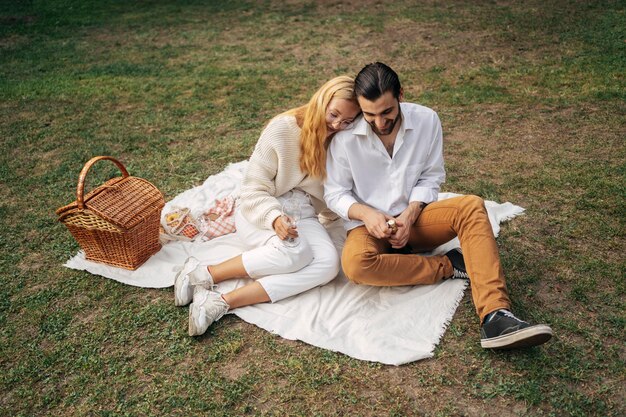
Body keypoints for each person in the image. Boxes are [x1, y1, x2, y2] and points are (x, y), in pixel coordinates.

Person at [324, 62, 553, 349]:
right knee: (356, 265)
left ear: (401, 96)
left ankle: (495, 315)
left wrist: (410, 215)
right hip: (368, 226)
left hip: (417, 219)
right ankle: (450, 265)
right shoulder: (345, 139)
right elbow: (335, 193)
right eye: (369, 114)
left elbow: (432, 176)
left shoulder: (427, 120)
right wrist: (368, 215)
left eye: (387, 112)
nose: (380, 123)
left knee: (471, 206)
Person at [175, 76, 361, 337]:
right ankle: (204, 273)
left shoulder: (340, 140)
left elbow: (332, 192)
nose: (336, 125)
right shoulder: (282, 129)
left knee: (329, 264)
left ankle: (220, 302)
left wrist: (349, 221)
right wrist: (274, 219)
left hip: (304, 213)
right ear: (322, 100)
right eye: (333, 115)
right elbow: (252, 189)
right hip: (261, 209)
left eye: (347, 121)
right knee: (297, 254)